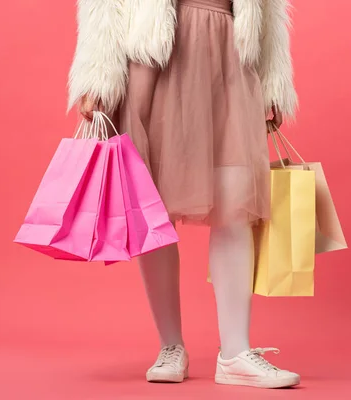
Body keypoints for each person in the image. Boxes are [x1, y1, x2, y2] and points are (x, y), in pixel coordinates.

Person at [68, 0, 299, 389]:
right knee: (152, 206)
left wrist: (275, 78)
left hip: (229, 52)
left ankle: (236, 353)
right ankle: (170, 345)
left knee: (235, 202)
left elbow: (270, 6)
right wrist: (96, 75)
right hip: (155, 56)